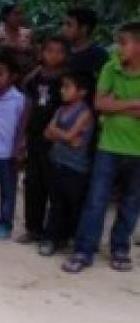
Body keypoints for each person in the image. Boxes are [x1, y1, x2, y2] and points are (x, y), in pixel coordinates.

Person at [64, 22, 140, 274]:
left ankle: (120, 248)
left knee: (131, 201)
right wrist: (134, 104)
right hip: (108, 146)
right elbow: (99, 104)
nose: (119, 48)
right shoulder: (110, 67)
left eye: (124, 42)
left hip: (138, 150)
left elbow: (109, 103)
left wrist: (116, 103)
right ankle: (84, 251)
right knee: (96, 200)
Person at [19, 35, 71, 244]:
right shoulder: (35, 78)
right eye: (49, 50)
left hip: (57, 140)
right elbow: (28, 105)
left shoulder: (67, 80)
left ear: (66, 55)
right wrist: (22, 136)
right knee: (33, 184)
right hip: (34, 138)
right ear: (42, 53)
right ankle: (33, 228)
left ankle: (55, 232)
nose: (54, 55)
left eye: (59, 51)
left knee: (55, 185)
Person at [39, 73, 96, 258]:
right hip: (57, 162)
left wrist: (62, 134)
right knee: (56, 204)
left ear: (82, 92)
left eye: (68, 87)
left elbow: (67, 136)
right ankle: (51, 238)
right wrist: (65, 136)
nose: (63, 90)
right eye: (62, 86)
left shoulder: (85, 113)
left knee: (74, 205)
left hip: (76, 167)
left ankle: (72, 238)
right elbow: (48, 134)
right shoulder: (60, 110)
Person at [0, 53, 27, 239]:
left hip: (7, 154)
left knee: (8, 191)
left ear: (13, 77)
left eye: (1, 74)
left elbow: (22, 127)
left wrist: (19, 150)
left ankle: (5, 222)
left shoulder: (19, 100)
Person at [61, 7, 109, 80]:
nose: (64, 28)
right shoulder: (61, 51)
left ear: (84, 29)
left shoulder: (98, 55)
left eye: (69, 25)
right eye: (63, 24)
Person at [0, 3, 35, 72]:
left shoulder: (28, 34)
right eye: (16, 14)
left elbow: (36, 54)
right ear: (6, 16)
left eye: (21, 14)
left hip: (26, 75)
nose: (20, 17)